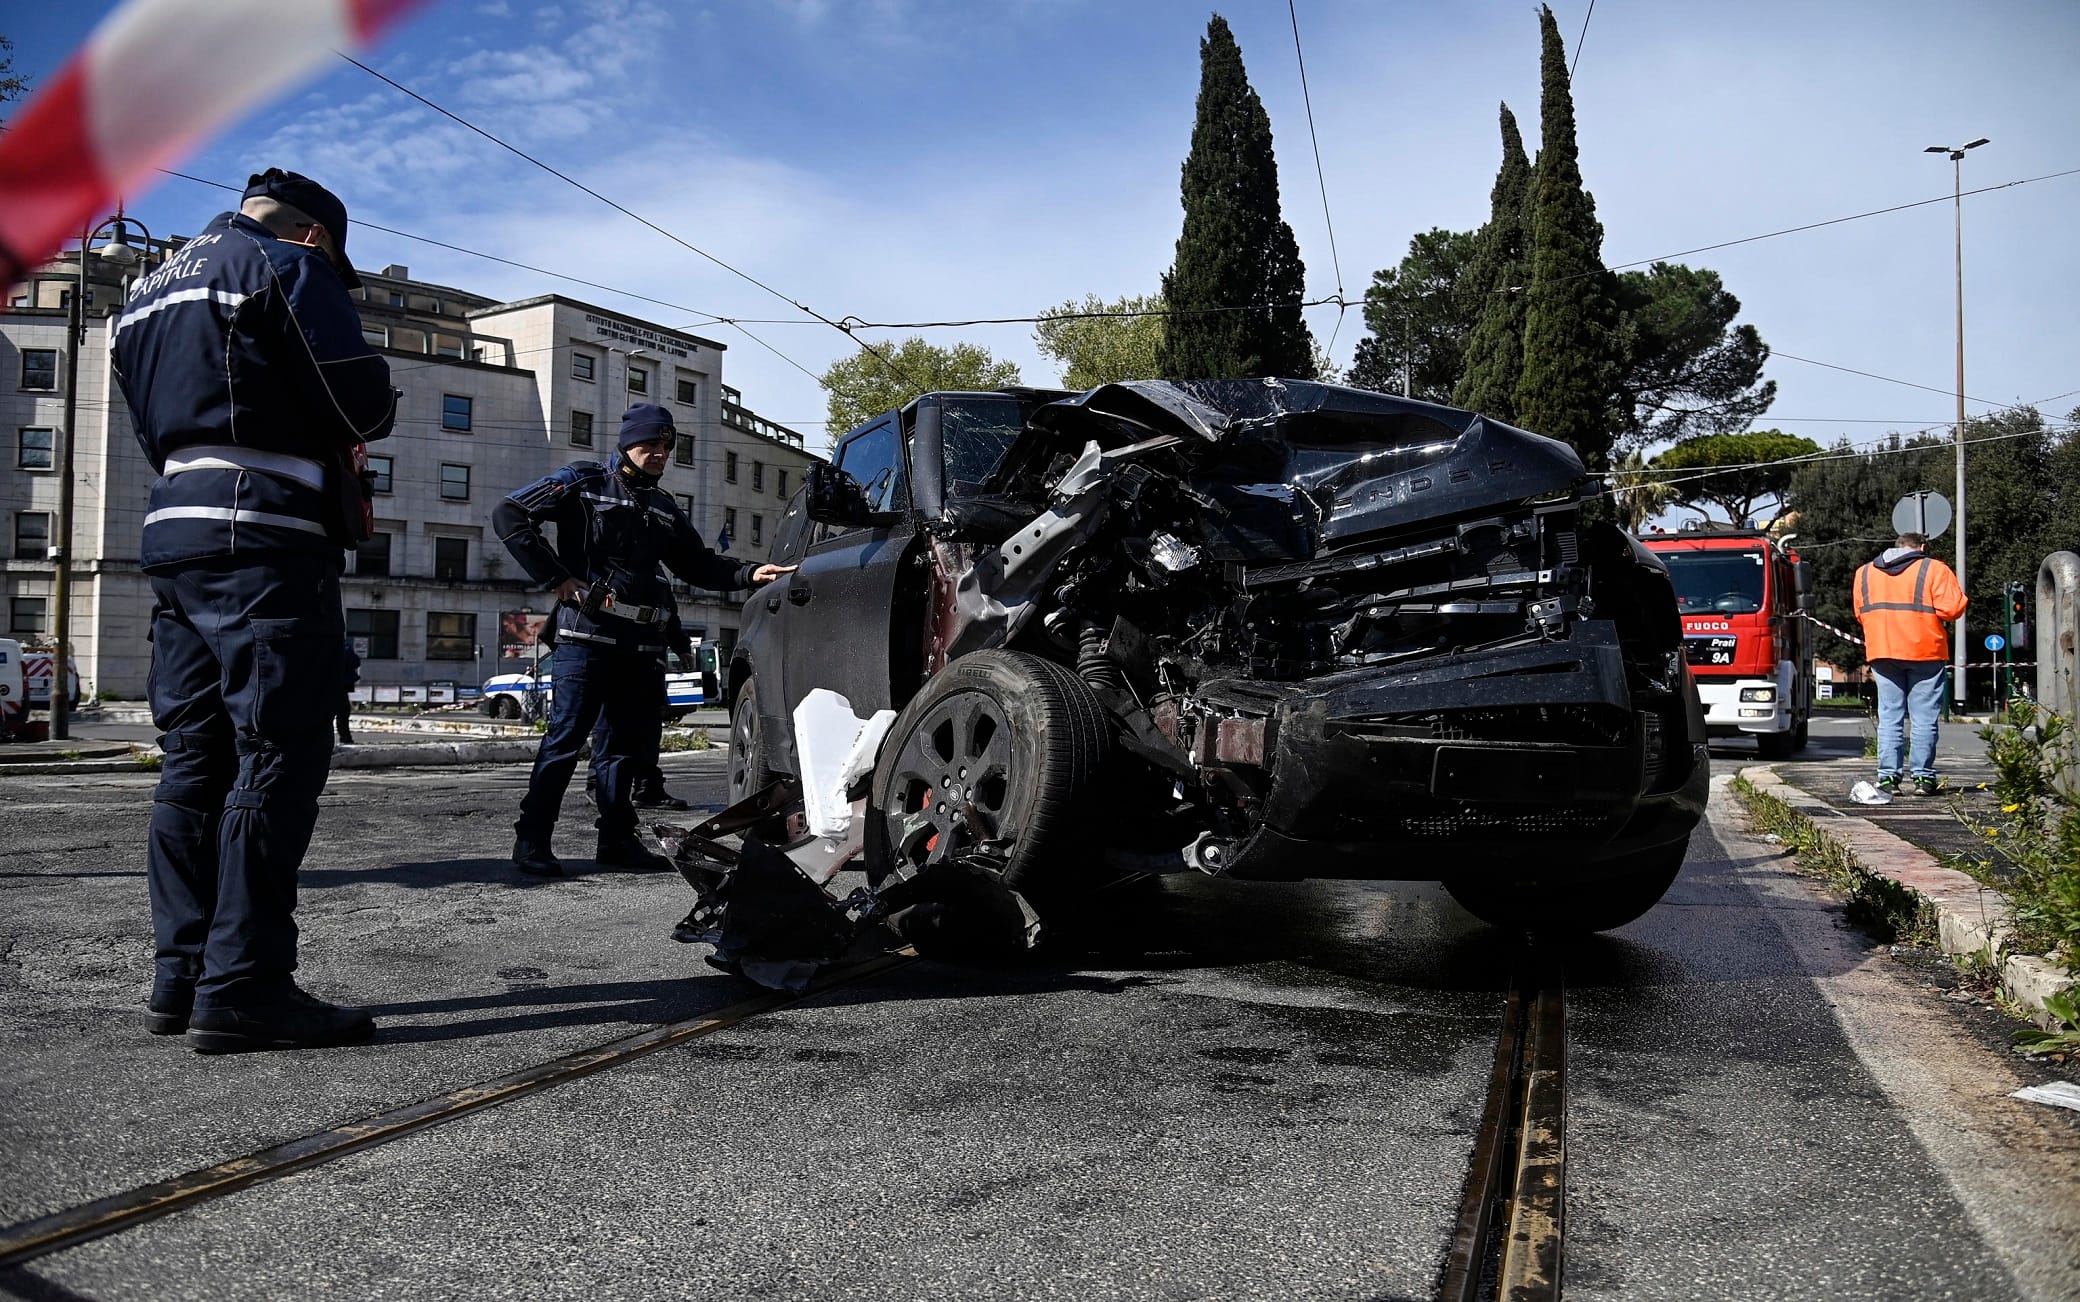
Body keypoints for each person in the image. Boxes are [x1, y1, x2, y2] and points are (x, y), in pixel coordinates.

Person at [110, 168, 396, 1051]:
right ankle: (246, 984)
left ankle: (182, 973)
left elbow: (150, 425)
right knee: (277, 751)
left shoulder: (142, 290)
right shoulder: (283, 265)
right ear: (316, 236)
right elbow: (360, 399)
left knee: (192, 756)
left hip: (175, 529)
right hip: (263, 534)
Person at [494, 404, 793, 876]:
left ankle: (616, 841)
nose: (658, 453)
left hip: (640, 646)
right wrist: (556, 577)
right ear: (626, 443)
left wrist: (749, 572)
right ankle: (532, 839)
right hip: (585, 638)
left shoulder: (663, 507)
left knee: (622, 749)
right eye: (649, 444)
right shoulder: (583, 482)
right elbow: (510, 513)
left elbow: (697, 564)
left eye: (666, 446)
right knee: (565, 740)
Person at [1852, 531, 1967, 797]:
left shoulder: (1865, 573)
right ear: (1922, 547)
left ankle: (1888, 778)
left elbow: (1860, 612)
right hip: (1924, 650)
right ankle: (1923, 779)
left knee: (1890, 716)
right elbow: (1952, 609)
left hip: (1882, 649)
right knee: (1924, 717)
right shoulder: (1934, 569)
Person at [336, 637, 361, 745]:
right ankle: (345, 738)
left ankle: (345, 738)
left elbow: (355, 661)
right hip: (338, 684)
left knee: (342, 712)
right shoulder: (341, 645)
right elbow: (354, 661)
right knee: (343, 712)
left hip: (333, 684)